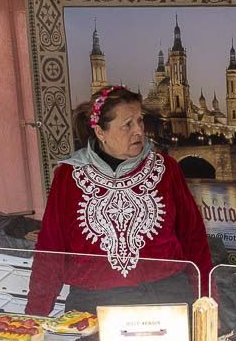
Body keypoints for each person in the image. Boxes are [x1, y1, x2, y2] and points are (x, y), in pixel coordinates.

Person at [26, 86, 213, 316]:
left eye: (140, 121)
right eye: (127, 125)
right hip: (94, 307)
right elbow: (50, 251)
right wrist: (34, 317)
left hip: (165, 299)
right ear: (100, 132)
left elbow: (194, 240)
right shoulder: (68, 177)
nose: (139, 132)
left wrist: (208, 305)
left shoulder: (166, 169)